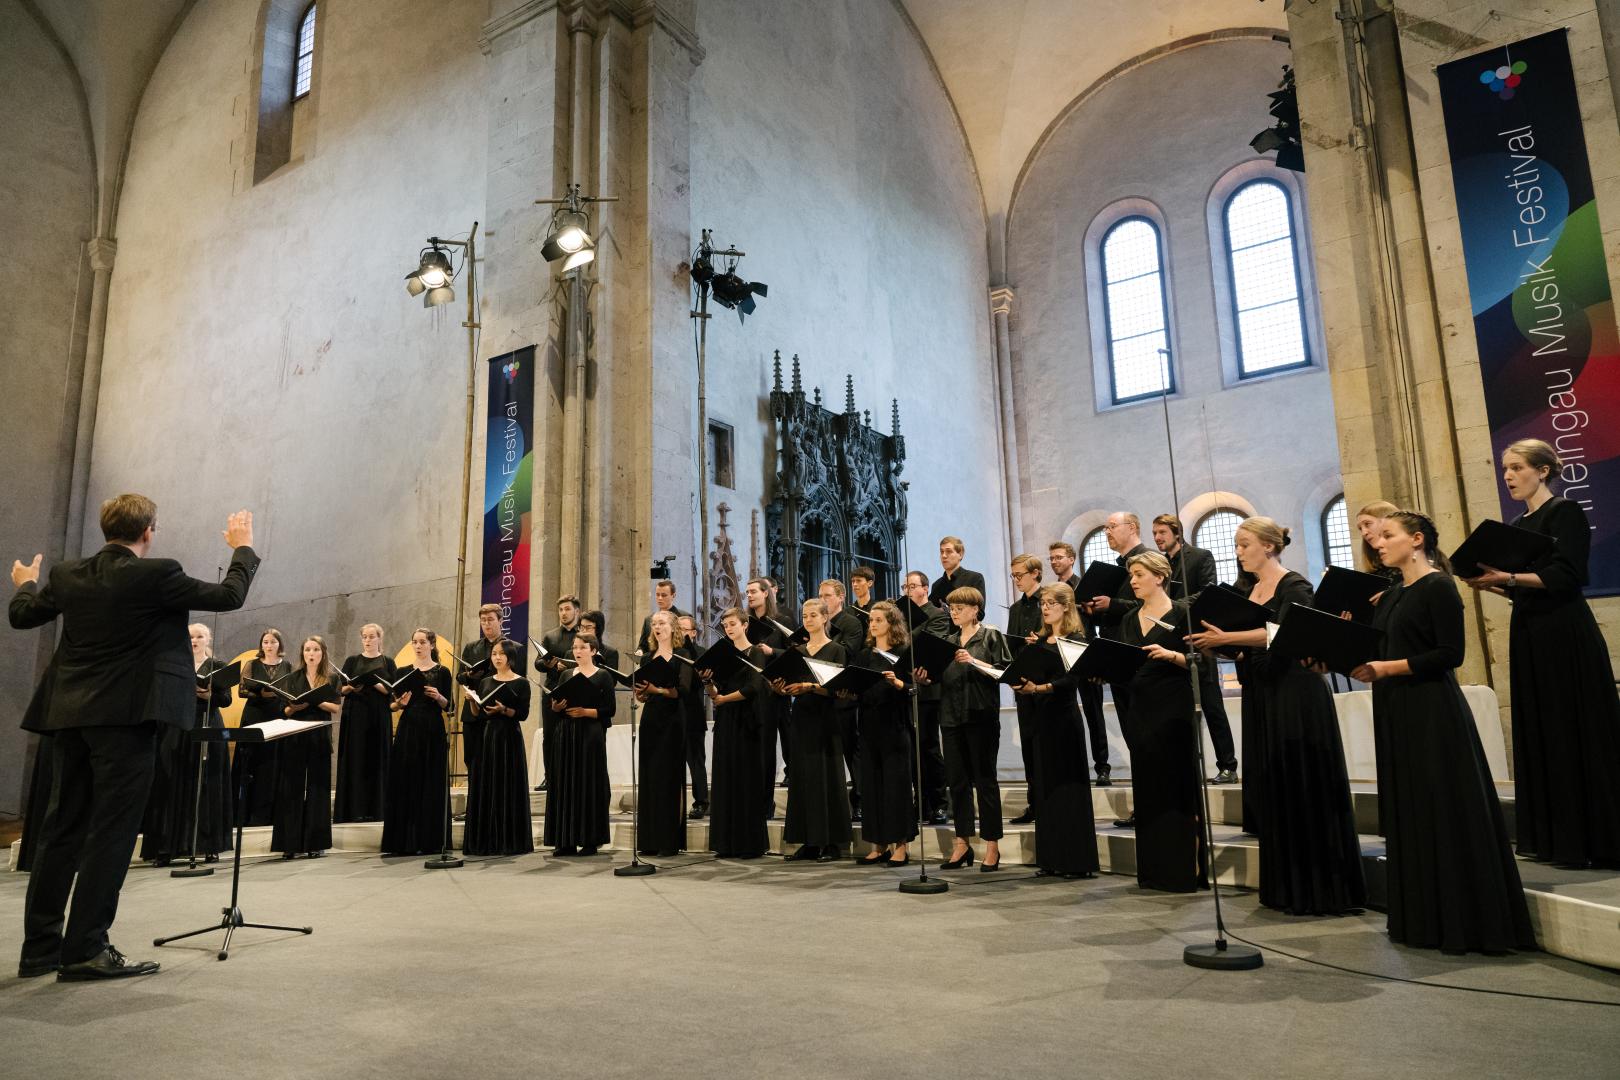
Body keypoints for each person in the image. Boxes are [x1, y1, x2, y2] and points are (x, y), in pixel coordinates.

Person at [8, 497, 258, 981]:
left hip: (69, 719)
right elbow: (229, 597)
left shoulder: (66, 575)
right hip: (125, 719)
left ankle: (39, 950)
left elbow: (22, 616)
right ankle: (84, 949)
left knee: (61, 831)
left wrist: (24, 584)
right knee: (112, 833)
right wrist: (242, 548)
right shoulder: (156, 574)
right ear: (148, 531)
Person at [1355, 512, 1533, 952]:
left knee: (1440, 803)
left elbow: (1449, 654)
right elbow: (1375, 649)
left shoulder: (1438, 586)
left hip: (1431, 709)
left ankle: (1461, 920)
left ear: (1416, 540)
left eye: (1388, 536)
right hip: (1397, 708)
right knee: (1412, 807)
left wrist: (1387, 668)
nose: (1379, 543)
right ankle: (1425, 918)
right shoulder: (1394, 593)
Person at [1188, 518, 1365, 915]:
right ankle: (1288, 885)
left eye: (1245, 544)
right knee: (1276, 785)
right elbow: (1253, 642)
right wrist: (1223, 647)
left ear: (1269, 546)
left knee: (1303, 783)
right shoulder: (1248, 590)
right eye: (1236, 545)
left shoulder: (1294, 585)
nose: (1239, 552)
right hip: (1263, 693)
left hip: (1297, 694)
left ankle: (1320, 888)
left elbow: (1284, 633)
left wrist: (1227, 638)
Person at [1461, 439, 1620, 868]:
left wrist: (1509, 576)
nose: (1508, 475)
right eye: (1505, 468)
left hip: (1564, 631)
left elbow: (1568, 576)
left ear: (1543, 470)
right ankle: (1555, 837)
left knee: (1572, 724)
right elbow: (1522, 585)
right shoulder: (1519, 521)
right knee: (1543, 726)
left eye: (1516, 467)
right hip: (1530, 629)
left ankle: (1592, 840)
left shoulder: (1563, 511)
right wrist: (1492, 582)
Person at [1115, 551, 1205, 892]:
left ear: (1159, 576)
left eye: (1139, 574)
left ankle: (1184, 869)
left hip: (1173, 707)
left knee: (1177, 786)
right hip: (1140, 708)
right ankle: (1154, 870)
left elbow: (1204, 663)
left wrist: (1173, 655)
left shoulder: (1183, 614)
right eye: (1132, 575)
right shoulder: (1129, 619)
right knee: (1149, 787)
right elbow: (1124, 662)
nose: (1133, 581)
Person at [1011, 584, 1099, 879]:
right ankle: (1050, 859)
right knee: (1046, 788)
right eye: (1043, 603)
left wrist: (1040, 688)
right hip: (1042, 720)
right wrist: (1021, 681)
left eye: (1050, 603)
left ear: (1065, 606)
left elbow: (1071, 680)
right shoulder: (1041, 642)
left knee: (1068, 788)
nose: (1045, 608)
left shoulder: (1075, 640)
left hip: (1064, 719)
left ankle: (1076, 860)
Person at [922, 586, 1010, 872]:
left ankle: (993, 846)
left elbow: (1003, 671)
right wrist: (923, 677)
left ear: (975, 609)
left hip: (980, 716)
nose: (954, 612)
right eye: (952, 607)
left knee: (984, 781)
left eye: (960, 607)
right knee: (957, 783)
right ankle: (962, 843)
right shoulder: (947, 642)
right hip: (950, 717)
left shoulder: (991, 635)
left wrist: (973, 661)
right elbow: (936, 677)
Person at [1152, 514, 1238, 785]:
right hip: (1169, 640)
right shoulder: (1159, 563)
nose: (1157, 538)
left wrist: (1174, 606)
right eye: (1154, 533)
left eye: (1162, 532)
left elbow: (1209, 591)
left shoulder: (1200, 556)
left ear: (1177, 532)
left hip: (1197, 636)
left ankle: (1228, 765)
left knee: (1212, 704)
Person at [140, 623, 235, 866]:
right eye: (191, 636)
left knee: (206, 783)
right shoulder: (174, 664)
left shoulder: (217, 666)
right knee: (171, 782)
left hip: (207, 723)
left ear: (208, 639)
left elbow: (225, 699)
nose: (194, 640)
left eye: (199, 636)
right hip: (177, 726)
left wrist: (208, 695)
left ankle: (208, 845)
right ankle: (165, 847)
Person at [1082, 512, 1152, 828]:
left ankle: (1153, 804)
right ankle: (1144, 804)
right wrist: (1095, 611)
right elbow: (1115, 616)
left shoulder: (1146, 560)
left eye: (1112, 527)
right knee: (1133, 736)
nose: (1107, 532)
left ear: (1132, 528)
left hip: (1138, 659)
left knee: (1144, 735)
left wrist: (1113, 605)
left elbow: (1151, 607)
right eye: (1106, 527)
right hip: (1117, 659)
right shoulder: (1116, 567)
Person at [772, 598, 853, 862]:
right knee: (803, 779)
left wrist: (810, 688)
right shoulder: (797, 651)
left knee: (826, 778)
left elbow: (837, 689)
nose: (807, 620)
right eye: (804, 616)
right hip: (802, 718)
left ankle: (830, 842)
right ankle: (808, 840)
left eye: (813, 616)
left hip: (826, 718)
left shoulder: (836, 650)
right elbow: (789, 682)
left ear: (825, 618)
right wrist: (780, 688)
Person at [849, 600, 916, 866]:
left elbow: (916, 687)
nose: (873, 624)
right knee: (872, 784)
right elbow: (855, 682)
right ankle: (878, 844)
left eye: (878, 620)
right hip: (868, 724)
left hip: (895, 724)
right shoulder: (865, 655)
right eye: (871, 620)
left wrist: (898, 682)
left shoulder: (904, 651)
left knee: (896, 785)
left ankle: (901, 845)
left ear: (892, 623)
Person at [700, 608, 770, 858]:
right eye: (725, 625)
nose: (728, 628)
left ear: (745, 625)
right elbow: (714, 692)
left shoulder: (757, 653)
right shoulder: (723, 655)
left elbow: (753, 688)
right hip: (727, 721)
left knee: (746, 780)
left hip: (748, 721)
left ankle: (748, 844)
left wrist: (723, 699)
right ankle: (726, 842)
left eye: (732, 624)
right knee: (725, 779)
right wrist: (708, 682)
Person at [380, 628, 453, 855]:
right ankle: (405, 841)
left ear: (432, 645)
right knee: (405, 780)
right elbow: (391, 706)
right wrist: (400, 703)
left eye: (422, 642)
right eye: (415, 642)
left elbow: (450, 707)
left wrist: (439, 697)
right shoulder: (402, 671)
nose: (418, 646)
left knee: (431, 780)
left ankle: (430, 840)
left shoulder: (442, 672)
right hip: (408, 728)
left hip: (432, 728)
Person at [545, 633, 616, 856]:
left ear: (593, 651)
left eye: (583, 647)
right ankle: (565, 840)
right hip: (566, 733)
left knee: (588, 784)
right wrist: (556, 708)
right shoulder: (566, 674)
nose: (577, 651)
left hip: (590, 734)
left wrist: (586, 711)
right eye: (575, 647)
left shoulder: (602, 675)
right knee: (566, 783)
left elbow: (610, 710)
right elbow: (556, 705)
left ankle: (589, 840)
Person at [463, 638, 534, 856]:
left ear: (510, 657)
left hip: (509, 737)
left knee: (508, 785)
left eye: (501, 654)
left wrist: (504, 710)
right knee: (488, 784)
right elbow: (478, 714)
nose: (497, 657)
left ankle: (509, 841)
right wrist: (473, 701)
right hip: (488, 736)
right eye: (494, 654)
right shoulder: (485, 682)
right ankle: (487, 840)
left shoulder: (521, 682)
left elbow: (522, 714)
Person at [1048, 541, 1111, 786]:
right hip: (1059, 657)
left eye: (1059, 557)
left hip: (1084, 652)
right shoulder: (1051, 590)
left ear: (1071, 559)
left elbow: (1099, 620)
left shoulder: (1085, 586)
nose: (1054, 561)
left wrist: (1089, 610)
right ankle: (1071, 767)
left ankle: (1102, 767)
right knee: (1062, 712)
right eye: (1052, 558)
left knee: (1094, 713)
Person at [272, 635, 339, 859]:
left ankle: (315, 842)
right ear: (303, 653)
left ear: (322, 653)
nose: (311, 654)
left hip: (319, 735)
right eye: (308, 650)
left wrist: (315, 700)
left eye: (316, 650)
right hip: (295, 735)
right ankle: (289, 843)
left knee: (318, 789)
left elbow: (335, 707)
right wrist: (295, 706)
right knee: (291, 787)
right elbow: (284, 710)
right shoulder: (293, 678)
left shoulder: (330, 678)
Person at [632, 610, 691, 857]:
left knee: (668, 778)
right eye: (654, 623)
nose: (657, 627)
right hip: (651, 720)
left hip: (672, 721)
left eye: (662, 623)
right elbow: (641, 694)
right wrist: (644, 692)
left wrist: (658, 689)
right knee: (649, 777)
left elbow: (684, 690)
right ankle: (649, 840)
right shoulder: (647, 658)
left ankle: (668, 840)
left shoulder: (683, 655)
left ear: (673, 627)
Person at [901, 570, 952, 823]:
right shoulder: (903, 616)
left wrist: (902, 634)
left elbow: (932, 644)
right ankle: (919, 803)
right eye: (905, 587)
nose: (908, 591)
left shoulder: (936, 615)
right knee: (912, 750)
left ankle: (940, 803)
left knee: (929, 748)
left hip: (929, 689)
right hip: (906, 687)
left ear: (925, 589)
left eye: (912, 586)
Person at [334, 624, 395, 823]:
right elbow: (340, 690)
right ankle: (354, 809)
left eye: (371, 637)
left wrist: (375, 683)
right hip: (355, 716)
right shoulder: (352, 661)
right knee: (356, 759)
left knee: (377, 760)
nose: (368, 640)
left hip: (379, 716)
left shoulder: (387, 662)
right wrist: (351, 686)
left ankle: (377, 809)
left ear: (379, 639)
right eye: (365, 637)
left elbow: (393, 691)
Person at [234, 628, 291, 827]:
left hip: (277, 714)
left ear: (279, 645)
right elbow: (242, 691)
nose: (269, 646)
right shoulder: (252, 664)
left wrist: (278, 695)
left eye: (273, 642)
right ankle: (246, 814)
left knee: (273, 761)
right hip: (254, 715)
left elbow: (290, 690)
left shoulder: (287, 665)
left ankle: (271, 812)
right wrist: (261, 695)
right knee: (252, 761)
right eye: (265, 642)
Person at [818, 578, 864, 819]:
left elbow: (846, 653)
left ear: (840, 597)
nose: (822, 600)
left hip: (845, 695)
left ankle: (859, 800)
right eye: (820, 596)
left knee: (851, 750)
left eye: (826, 596)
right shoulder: (817, 623)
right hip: (821, 696)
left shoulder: (850, 622)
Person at [745, 576, 791, 811]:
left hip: (774, 691)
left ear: (766, 593)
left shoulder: (781, 621)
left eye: (754, 591)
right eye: (747, 592)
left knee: (768, 749)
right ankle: (753, 801)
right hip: (750, 692)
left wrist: (772, 650)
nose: (750, 595)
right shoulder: (746, 622)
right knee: (753, 750)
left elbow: (795, 653)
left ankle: (766, 802)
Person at [1005, 554, 1045, 825]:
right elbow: (1011, 647)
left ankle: (1047, 802)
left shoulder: (1049, 601)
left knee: (1045, 746)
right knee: (1029, 746)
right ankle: (1034, 803)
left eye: (1020, 575)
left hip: (1045, 684)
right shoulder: (1016, 609)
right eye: (1014, 576)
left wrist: (1039, 642)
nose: (1017, 580)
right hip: (1023, 685)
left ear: (1036, 573)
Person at [456, 604, 506, 805]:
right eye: (483, 621)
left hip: (496, 711)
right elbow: (460, 677)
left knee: (495, 762)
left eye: (490, 620)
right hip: (472, 713)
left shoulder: (510, 647)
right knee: (473, 760)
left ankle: (496, 804)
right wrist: (469, 675)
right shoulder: (472, 648)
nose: (486, 624)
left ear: (500, 621)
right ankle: (474, 806)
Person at [535, 594, 582, 791]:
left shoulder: (583, 636)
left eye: (567, 609)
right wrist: (549, 664)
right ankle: (550, 776)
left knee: (575, 736)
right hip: (553, 690)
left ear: (577, 611)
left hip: (577, 691)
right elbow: (537, 663)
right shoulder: (550, 636)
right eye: (561, 610)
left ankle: (575, 775)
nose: (563, 613)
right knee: (550, 736)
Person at [676, 613, 711, 821]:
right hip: (672, 714)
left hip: (693, 713)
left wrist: (687, 648)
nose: (680, 633)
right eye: (677, 629)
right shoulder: (669, 652)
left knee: (696, 761)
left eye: (684, 629)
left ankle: (701, 801)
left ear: (694, 633)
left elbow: (698, 682)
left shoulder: (701, 653)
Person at [928, 535, 987, 616]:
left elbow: (979, 614)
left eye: (949, 551)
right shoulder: (936, 585)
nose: (944, 556)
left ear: (960, 554)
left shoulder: (975, 578)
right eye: (941, 552)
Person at [1355, 499, 1401, 582]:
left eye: (1367, 524)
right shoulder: (1371, 576)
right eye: (1360, 528)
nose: (1364, 533)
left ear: (1387, 521)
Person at [638, 579, 687, 653]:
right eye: (657, 595)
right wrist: (640, 651)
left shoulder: (683, 617)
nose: (660, 598)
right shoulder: (648, 620)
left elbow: (689, 647)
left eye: (664, 595)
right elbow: (642, 646)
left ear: (673, 595)